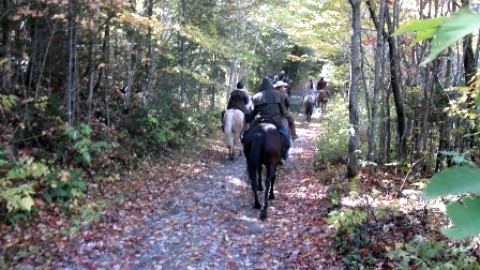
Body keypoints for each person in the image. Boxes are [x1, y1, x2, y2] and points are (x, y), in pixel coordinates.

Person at [243, 77, 291, 162]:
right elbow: (282, 111)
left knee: (246, 135)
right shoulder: (279, 95)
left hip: (260, 120)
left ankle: (247, 149)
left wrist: (249, 119)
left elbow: (254, 112)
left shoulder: (257, 96)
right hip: (276, 121)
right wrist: (282, 115)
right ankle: (285, 154)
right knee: (286, 136)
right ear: (271, 85)